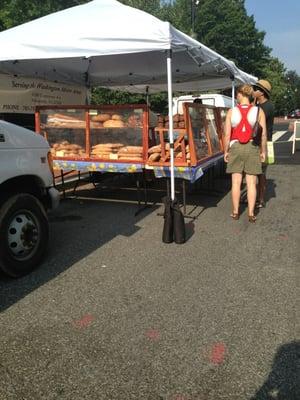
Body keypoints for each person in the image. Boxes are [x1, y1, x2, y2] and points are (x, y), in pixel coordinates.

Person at [223, 84, 267, 222]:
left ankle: (235, 212)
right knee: (251, 183)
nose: (236, 96)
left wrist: (226, 151)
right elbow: (263, 134)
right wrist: (263, 151)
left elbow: (226, 134)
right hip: (252, 146)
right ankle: (251, 213)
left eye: (237, 94)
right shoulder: (258, 111)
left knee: (236, 182)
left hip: (235, 147)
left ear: (241, 94)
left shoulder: (231, 111)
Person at [253, 79, 274, 208]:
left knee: (261, 173)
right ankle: (255, 197)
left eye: (255, 89)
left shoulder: (267, 107)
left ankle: (260, 199)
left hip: (264, 144)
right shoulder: (258, 106)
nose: (253, 91)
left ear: (262, 92)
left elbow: (257, 125)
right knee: (255, 172)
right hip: (257, 143)